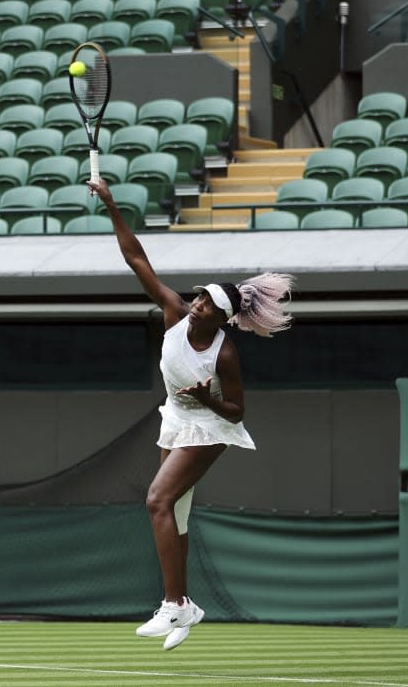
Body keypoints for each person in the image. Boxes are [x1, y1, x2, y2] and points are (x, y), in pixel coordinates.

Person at [88, 178, 295, 651]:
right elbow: (136, 260)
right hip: (177, 419)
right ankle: (185, 609)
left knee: (157, 500)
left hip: (212, 424)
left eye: (207, 304)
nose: (197, 303)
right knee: (175, 515)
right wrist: (113, 206)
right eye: (199, 297)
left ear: (222, 319)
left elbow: (238, 410)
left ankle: (174, 603)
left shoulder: (225, 355)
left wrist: (207, 402)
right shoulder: (174, 312)